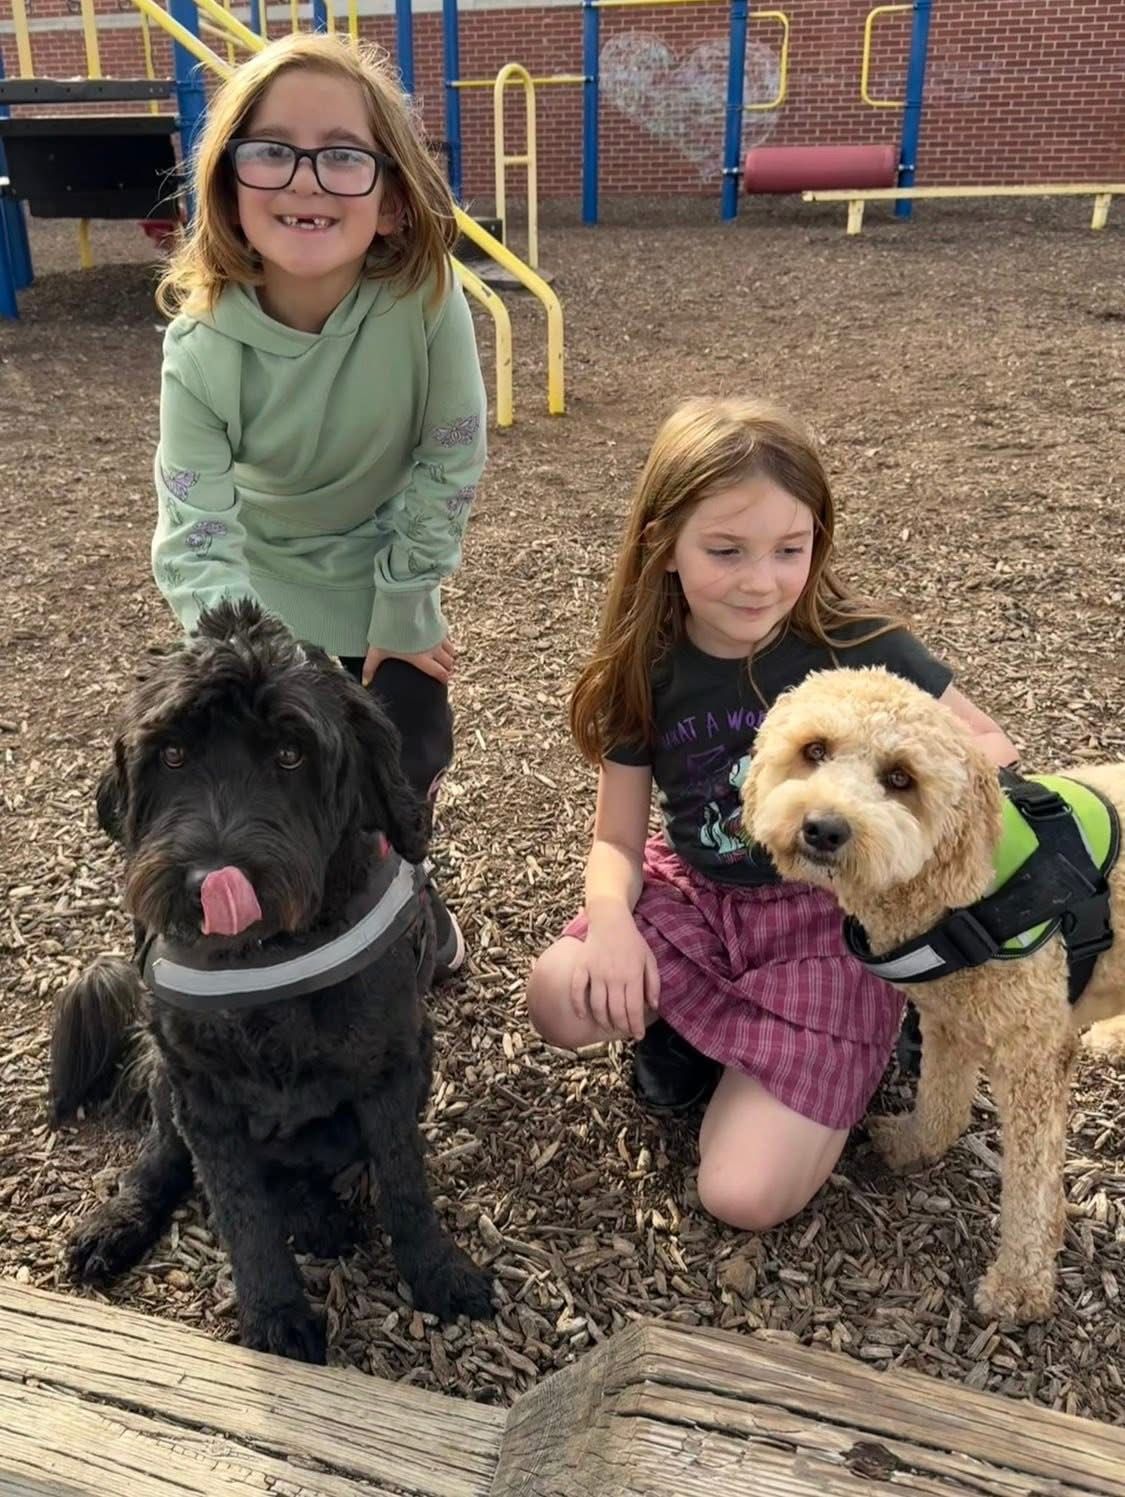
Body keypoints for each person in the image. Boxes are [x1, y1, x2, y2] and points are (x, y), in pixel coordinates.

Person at [527, 397, 1017, 1231]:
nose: (761, 580)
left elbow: (988, 750)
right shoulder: (643, 670)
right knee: (557, 996)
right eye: (725, 550)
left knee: (741, 1197)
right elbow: (616, 836)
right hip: (701, 893)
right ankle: (702, 1035)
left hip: (829, 918)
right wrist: (609, 919)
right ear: (663, 548)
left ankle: (845, 1035)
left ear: (815, 541)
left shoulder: (856, 641)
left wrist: (890, 790)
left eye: (789, 549)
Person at [151, 33, 487, 976]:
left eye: (343, 154)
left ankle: (396, 889)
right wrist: (258, 660)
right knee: (264, 759)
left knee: (406, 739)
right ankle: (265, 895)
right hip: (257, 592)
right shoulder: (204, 345)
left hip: (382, 568)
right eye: (272, 150)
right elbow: (197, 526)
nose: (305, 180)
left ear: (388, 200)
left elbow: (447, 460)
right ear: (226, 184)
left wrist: (403, 607)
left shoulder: (426, 302)